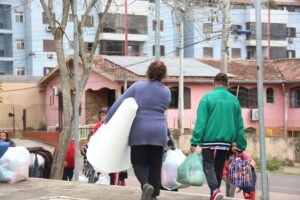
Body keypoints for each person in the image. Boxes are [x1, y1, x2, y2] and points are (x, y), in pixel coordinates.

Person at [105, 61, 171, 200]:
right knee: (155, 165)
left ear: (148, 72)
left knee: (138, 162)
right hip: (159, 131)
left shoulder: (138, 86)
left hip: (139, 130)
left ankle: (145, 185)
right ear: (163, 75)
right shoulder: (166, 91)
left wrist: (108, 117)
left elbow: (120, 102)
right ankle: (152, 196)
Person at [190, 73, 247, 200]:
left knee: (208, 165)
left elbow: (201, 122)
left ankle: (215, 190)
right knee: (219, 168)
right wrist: (241, 145)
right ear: (227, 84)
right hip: (226, 142)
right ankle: (214, 194)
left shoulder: (207, 98)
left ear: (214, 83)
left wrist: (195, 141)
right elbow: (239, 125)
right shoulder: (234, 100)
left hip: (209, 141)